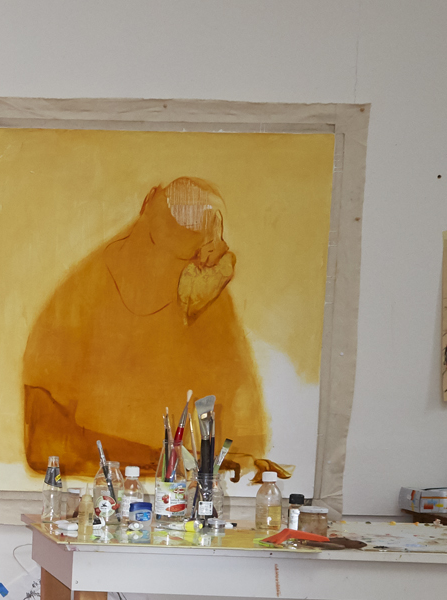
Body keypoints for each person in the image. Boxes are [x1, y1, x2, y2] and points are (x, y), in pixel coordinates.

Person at [21, 176, 272, 479]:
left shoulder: (204, 296)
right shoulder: (79, 299)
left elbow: (242, 437)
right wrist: (160, 458)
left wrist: (238, 458)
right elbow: (46, 449)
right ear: (147, 206)